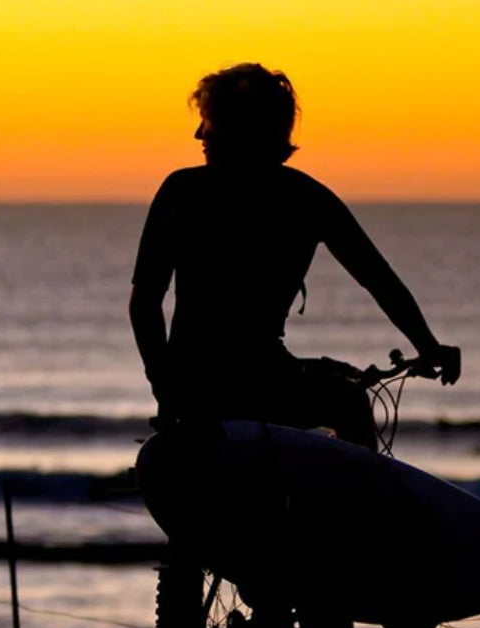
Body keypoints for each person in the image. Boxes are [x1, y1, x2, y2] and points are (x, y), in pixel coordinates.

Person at [129, 62, 460, 447]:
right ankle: (362, 504)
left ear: (239, 129)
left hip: (203, 385)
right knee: (349, 401)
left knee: (344, 389)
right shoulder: (307, 198)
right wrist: (428, 347)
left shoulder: (181, 191)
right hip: (260, 380)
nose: (198, 133)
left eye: (208, 121)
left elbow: (144, 305)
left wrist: (170, 394)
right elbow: (380, 281)